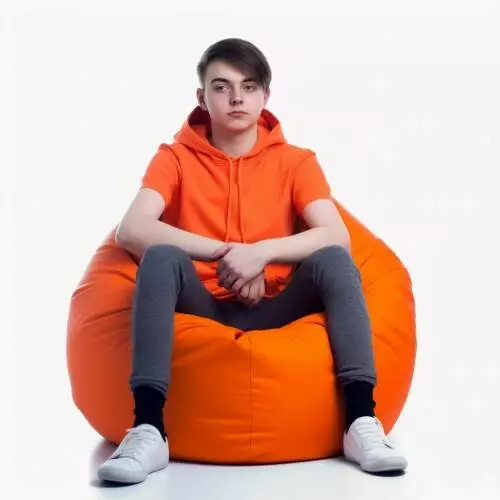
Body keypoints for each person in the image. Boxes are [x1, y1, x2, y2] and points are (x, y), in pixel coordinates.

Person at [97, 37, 408, 484]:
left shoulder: (296, 162)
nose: (236, 98)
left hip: (278, 305)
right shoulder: (174, 158)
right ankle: (149, 428)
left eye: (248, 86)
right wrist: (226, 253)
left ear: (265, 96)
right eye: (221, 87)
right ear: (202, 97)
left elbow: (336, 236)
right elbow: (132, 229)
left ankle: (360, 420)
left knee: (335, 262)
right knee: (160, 257)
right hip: (202, 303)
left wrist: (261, 253)